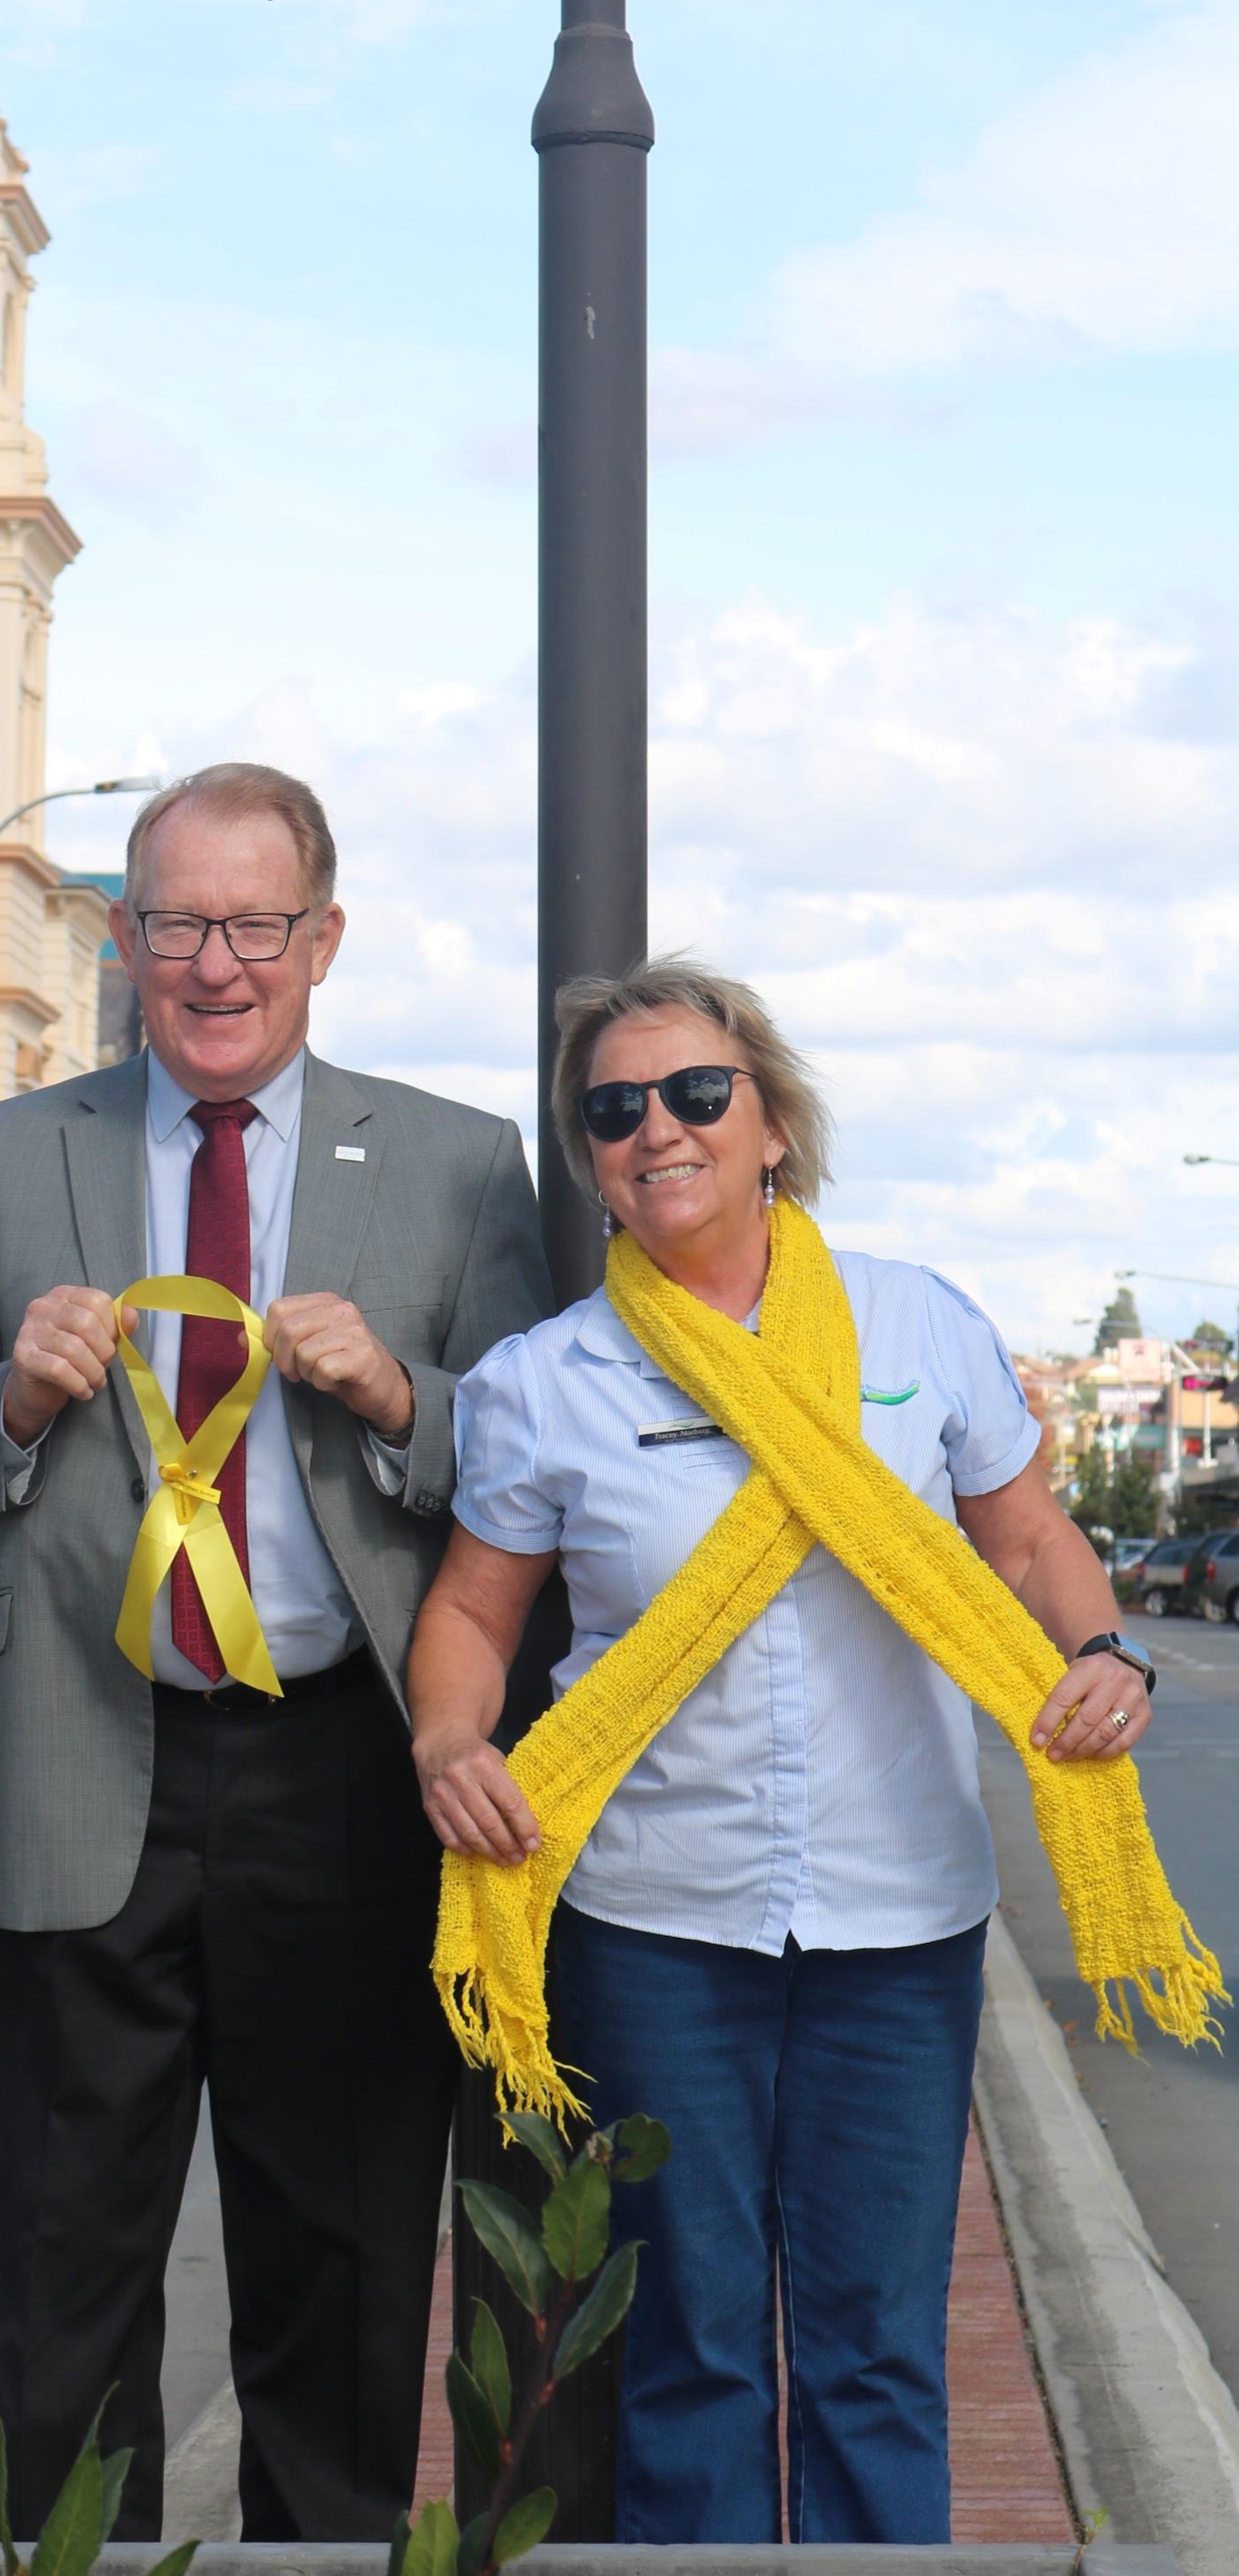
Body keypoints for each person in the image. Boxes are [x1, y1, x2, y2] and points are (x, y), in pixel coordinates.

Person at [410, 955, 1221, 2546]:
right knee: (690, 2352)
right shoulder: (540, 1383)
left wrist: (1104, 1649)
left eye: (697, 1092)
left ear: (771, 1120)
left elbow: (1032, 1540)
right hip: (651, 1926)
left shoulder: (920, 1325)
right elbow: (468, 1609)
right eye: (614, 1109)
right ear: (588, 1159)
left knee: (873, 2357)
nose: (661, 1128)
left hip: (898, 1920)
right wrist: (448, 1733)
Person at [0, 763, 549, 2544]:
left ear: (322, 938)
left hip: (342, 1768)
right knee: (66, 2259)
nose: (216, 964)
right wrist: (6, 1395)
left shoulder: (461, 1166)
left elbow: (550, 1464)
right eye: (178, 922)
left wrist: (399, 1393)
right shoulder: (17, 1154)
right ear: (122, 935)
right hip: (88, 1753)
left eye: (255, 924)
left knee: (339, 2258)